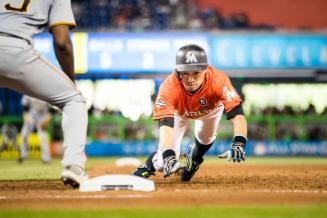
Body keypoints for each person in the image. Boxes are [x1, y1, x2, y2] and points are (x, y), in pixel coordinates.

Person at [0, 0, 88, 188]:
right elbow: (62, 42)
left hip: (38, 115)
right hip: (15, 48)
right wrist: (71, 82)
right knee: (74, 100)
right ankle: (74, 166)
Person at [132, 44, 247, 182]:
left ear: (205, 70)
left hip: (210, 110)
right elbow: (165, 126)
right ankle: (148, 167)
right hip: (179, 113)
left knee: (206, 138)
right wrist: (169, 157)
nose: (190, 79)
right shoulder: (168, 87)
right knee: (163, 162)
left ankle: (195, 159)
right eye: (185, 73)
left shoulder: (219, 81)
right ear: (178, 72)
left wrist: (239, 143)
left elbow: (238, 115)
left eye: (196, 72)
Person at [18, 95, 52, 164]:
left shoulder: (46, 92)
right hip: (31, 116)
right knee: (24, 134)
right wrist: (25, 117)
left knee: (42, 137)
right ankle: (23, 155)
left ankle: (46, 158)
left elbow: (51, 111)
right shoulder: (28, 91)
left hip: (43, 116)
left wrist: (46, 121)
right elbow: (25, 109)